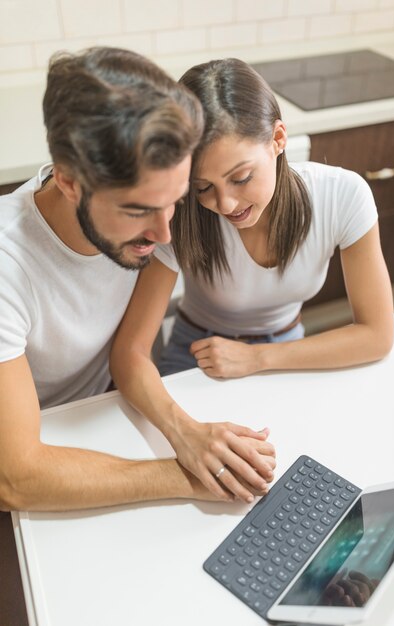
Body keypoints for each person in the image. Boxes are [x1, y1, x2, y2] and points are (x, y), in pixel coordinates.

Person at [0, 48, 275, 512]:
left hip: (104, 419)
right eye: (137, 211)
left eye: (175, 201)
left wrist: (187, 433)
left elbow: (127, 352)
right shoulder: (9, 263)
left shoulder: (152, 203)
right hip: (37, 448)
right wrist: (187, 473)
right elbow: (16, 480)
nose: (164, 234)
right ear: (69, 182)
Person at [110, 58, 393, 492]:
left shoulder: (344, 195)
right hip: (195, 355)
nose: (224, 204)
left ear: (278, 139)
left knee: (296, 478)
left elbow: (376, 334)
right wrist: (184, 433)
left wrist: (259, 358)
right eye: (203, 187)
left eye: (241, 177)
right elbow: (129, 351)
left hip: (291, 353)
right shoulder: (181, 213)